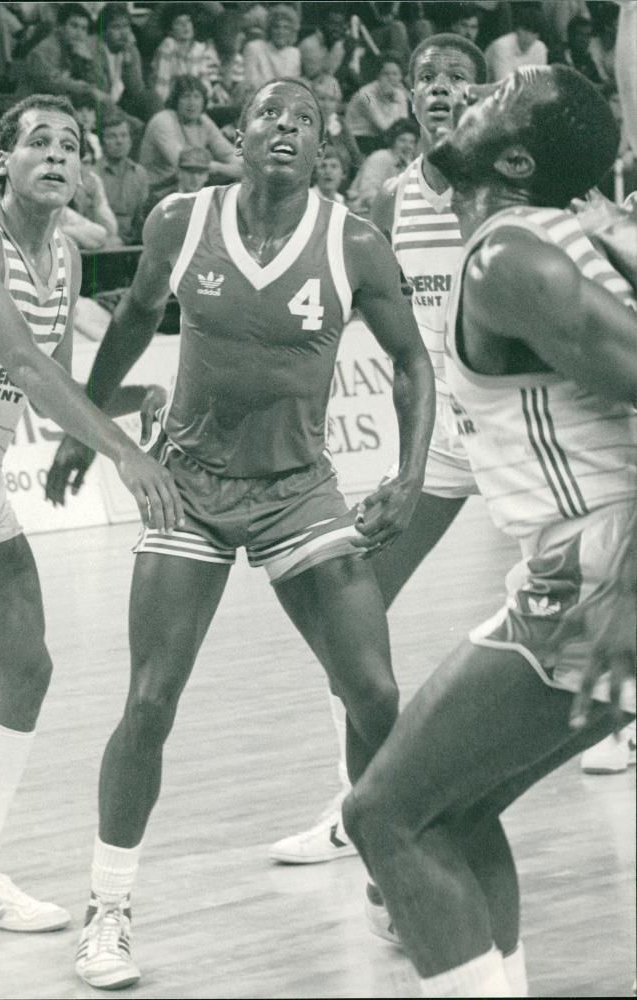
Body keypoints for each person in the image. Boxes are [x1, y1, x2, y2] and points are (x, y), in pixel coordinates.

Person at [45, 76, 436, 990]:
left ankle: (392, 870)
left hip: (300, 490)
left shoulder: (355, 243)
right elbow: (137, 317)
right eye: (271, 114)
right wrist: (84, 427)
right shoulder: (183, 222)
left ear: (324, 143)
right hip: (191, 485)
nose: (287, 128)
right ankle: (108, 909)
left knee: (375, 692)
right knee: (150, 699)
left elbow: (413, 362)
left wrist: (410, 476)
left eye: (306, 118)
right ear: (242, 132)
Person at [341, 64, 637, 999]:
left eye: (491, 95)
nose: (464, 100)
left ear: (513, 156)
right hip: (594, 564)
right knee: (453, 812)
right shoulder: (546, 242)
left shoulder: (510, 257)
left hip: (599, 565)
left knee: (384, 814)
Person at [0, 93, 182, 952]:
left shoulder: (65, 259)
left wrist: (97, 428)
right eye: (38, 142)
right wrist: (124, 452)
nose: (57, 154)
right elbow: (15, 355)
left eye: (72, 145)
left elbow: (51, 379)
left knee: (27, 669)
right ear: (0, 163)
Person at [272, 34, 487, 879]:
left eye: (457, 79)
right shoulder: (392, 200)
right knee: (347, 612)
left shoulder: (518, 182)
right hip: (438, 441)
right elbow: (380, 333)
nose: (438, 90)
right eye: (425, 79)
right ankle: (357, 805)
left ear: (486, 93)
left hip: (518, 436)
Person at [138, 74, 242, 200]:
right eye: (186, 97)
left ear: (203, 100)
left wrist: (218, 168)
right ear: (176, 100)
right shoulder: (163, 120)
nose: (192, 103)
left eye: (197, 97)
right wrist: (220, 168)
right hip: (157, 191)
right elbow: (187, 164)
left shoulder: (203, 120)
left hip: (190, 185)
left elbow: (238, 162)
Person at [93, 110, 150, 245]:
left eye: (124, 135)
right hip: (101, 245)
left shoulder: (140, 173)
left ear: (130, 140)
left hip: (132, 244)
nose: (119, 141)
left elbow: (141, 219)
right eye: (112, 136)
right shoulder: (93, 174)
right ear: (102, 142)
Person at [344, 53, 411, 157]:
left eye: (395, 74)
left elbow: (403, 125)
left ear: (401, 77)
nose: (391, 78)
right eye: (386, 74)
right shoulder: (365, 94)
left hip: (380, 138)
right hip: (359, 138)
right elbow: (384, 127)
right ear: (378, 76)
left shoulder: (400, 93)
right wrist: (394, 102)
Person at [484, 6, 548, 83]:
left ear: (538, 35)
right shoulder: (501, 46)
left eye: (534, 33)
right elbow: (504, 85)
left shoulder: (541, 48)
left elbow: (539, 83)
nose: (528, 37)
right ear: (517, 29)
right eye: (525, 30)